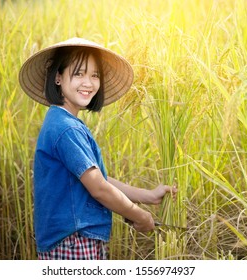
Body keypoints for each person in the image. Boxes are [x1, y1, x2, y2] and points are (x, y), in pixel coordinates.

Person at [19, 37, 177, 260]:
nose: (89, 82)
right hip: (73, 243)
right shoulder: (66, 129)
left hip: (74, 240)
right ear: (58, 77)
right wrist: (139, 215)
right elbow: (99, 188)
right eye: (79, 73)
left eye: (95, 75)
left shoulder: (62, 122)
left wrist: (148, 196)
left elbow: (96, 179)